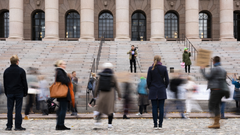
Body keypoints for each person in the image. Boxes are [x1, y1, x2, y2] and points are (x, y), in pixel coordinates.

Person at [200, 56, 227, 129]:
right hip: (221, 89)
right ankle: (216, 122)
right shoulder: (223, 69)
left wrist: (202, 69)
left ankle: (216, 123)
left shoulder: (215, 68)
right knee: (216, 105)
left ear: (214, 61)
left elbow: (208, 77)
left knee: (211, 106)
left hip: (215, 89)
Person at [4, 55, 28, 131]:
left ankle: (9, 126)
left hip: (10, 92)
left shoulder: (6, 71)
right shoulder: (21, 70)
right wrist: (25, 92)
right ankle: (17, 126)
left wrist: (6, 92)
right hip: (19, 92)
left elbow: (5, 83)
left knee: (9, 109)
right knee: (18, 109)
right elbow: (24, 82)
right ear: (17, 61)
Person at [94, 63, 121, 129]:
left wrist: (95, 94)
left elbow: (97, 86)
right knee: (110, 109)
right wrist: (119, 95)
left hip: (102, 93)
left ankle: (98, 120)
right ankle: (109, 124)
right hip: (110, 93)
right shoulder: (113, 76)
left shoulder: (101, 76)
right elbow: (117, 86)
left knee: (101, 108)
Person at [147, 55, 169, 130]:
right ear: (160, 60)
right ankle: (160, 124)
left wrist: (150, 87)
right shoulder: (164, 68)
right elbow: (167, 80)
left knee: (154, 108)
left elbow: (148, 81)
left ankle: (155, 124)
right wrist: (164, 86)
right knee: (161, 108)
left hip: (153, 89)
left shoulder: (150, 68)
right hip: (161, 89)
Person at [54, 60, 72, 130]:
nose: (65, 65)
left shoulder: (59, 71)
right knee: (63, 109)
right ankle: (60, 125)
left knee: (61, 109)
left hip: (61, 92)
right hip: (63, 93)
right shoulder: (60, 71)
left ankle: (59, 124)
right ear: (60, 65)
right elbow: (64, 80)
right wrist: (68, 77)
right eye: (64, 64)